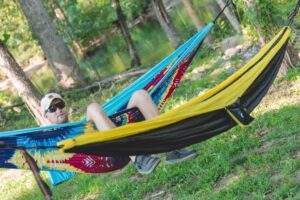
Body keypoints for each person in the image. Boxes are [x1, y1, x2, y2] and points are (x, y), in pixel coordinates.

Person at [41, 91, 197, 174]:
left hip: (125, 138)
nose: (58, 110)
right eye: (52, 109)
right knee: (92, 108)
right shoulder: (47, 141)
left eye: (60, 105)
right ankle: (137, 159)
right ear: (45, 115)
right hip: (107, 155)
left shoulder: (85, 122)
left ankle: (173, 149)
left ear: (66, 106)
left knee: (140, 95)